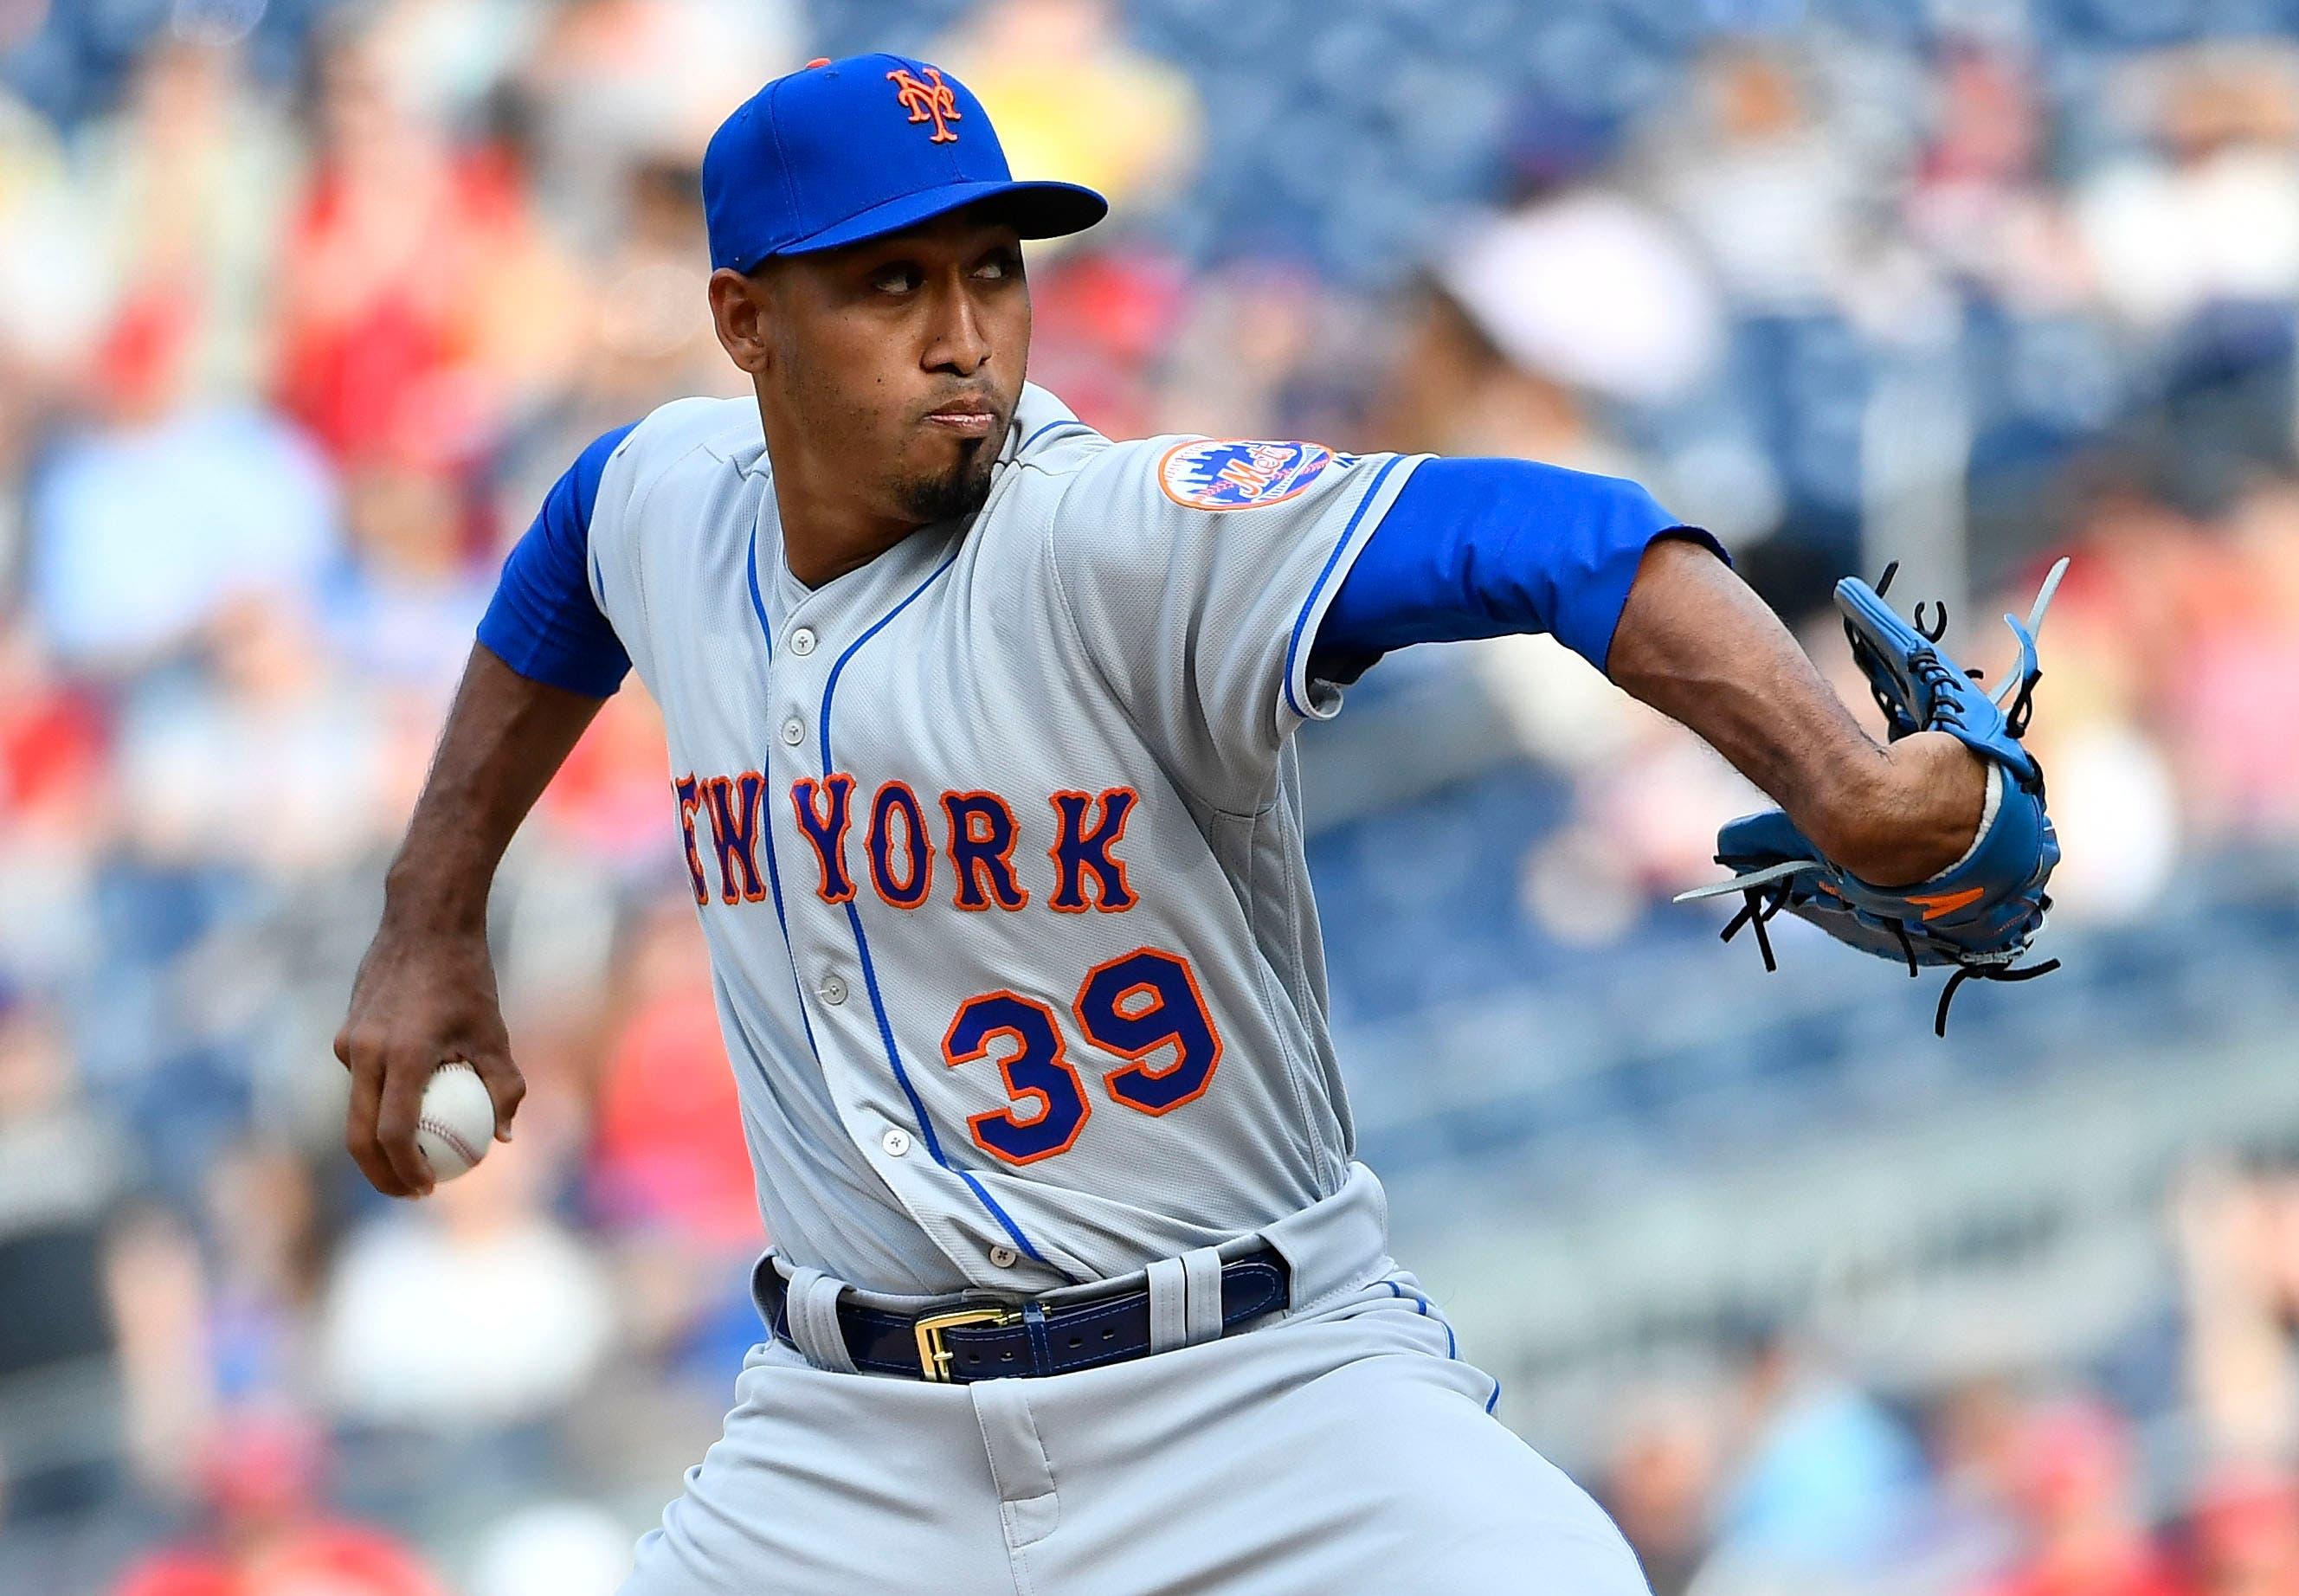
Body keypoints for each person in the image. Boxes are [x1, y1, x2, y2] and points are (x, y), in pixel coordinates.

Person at [336, 54, 2051, 1593]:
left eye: (992, 272)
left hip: (1253, 1394)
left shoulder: (1117, 534)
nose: (963, 333)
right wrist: (429, 918)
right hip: (846, 1449)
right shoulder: (672, 496)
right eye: (890, 284)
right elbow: (568, 554)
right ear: (744, 322)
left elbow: (1562, 532)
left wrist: (1833, 776)